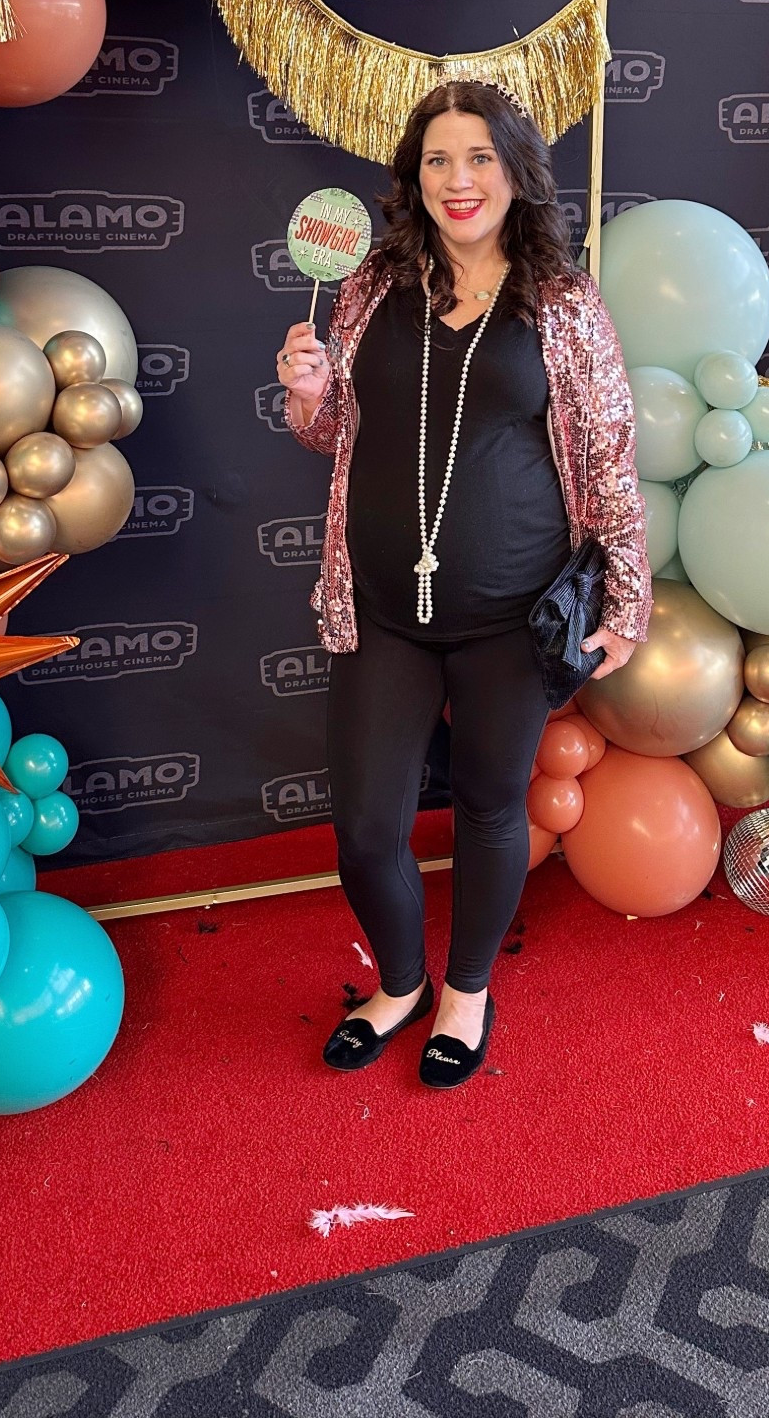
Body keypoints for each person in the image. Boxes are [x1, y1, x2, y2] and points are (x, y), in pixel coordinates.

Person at [275, 79, 651, 1087]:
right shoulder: (367, 290)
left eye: (479, 156)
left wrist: (625, 598)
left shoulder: (562, 305)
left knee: (491, 804)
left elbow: (610, 456)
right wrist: (308, 397)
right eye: (438, 159)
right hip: (387, 609)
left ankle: (466, 989)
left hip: (511, 614)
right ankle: (399, 982)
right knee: (365, 825)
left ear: (517, 174)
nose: (458, 178)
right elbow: (335, 435)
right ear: (414, 178)